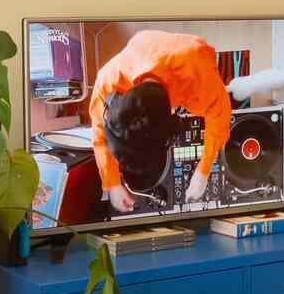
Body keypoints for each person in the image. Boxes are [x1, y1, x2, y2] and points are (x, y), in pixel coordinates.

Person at [89, 30, 232, 213]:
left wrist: (203, 171)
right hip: (144, 52)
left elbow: (219, 117)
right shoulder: (107, 82)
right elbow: (99, 133)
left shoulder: (197, 70)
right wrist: (112, 183)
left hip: (186, 59)